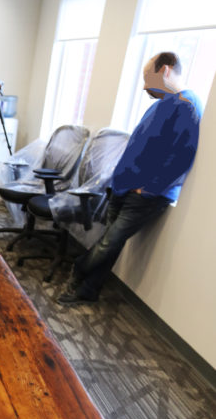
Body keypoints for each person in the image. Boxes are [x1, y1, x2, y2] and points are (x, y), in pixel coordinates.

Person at [58, 52, 202, 305]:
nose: (145, 85)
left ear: (165, 71)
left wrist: (148, 189)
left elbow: (181, 158)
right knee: (110, 244)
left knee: (108, 242)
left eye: (148, 77)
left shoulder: (187, 107)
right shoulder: (160, 105)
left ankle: (79, 268)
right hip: (123, 186)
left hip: (144, 194)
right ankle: (88, 291)